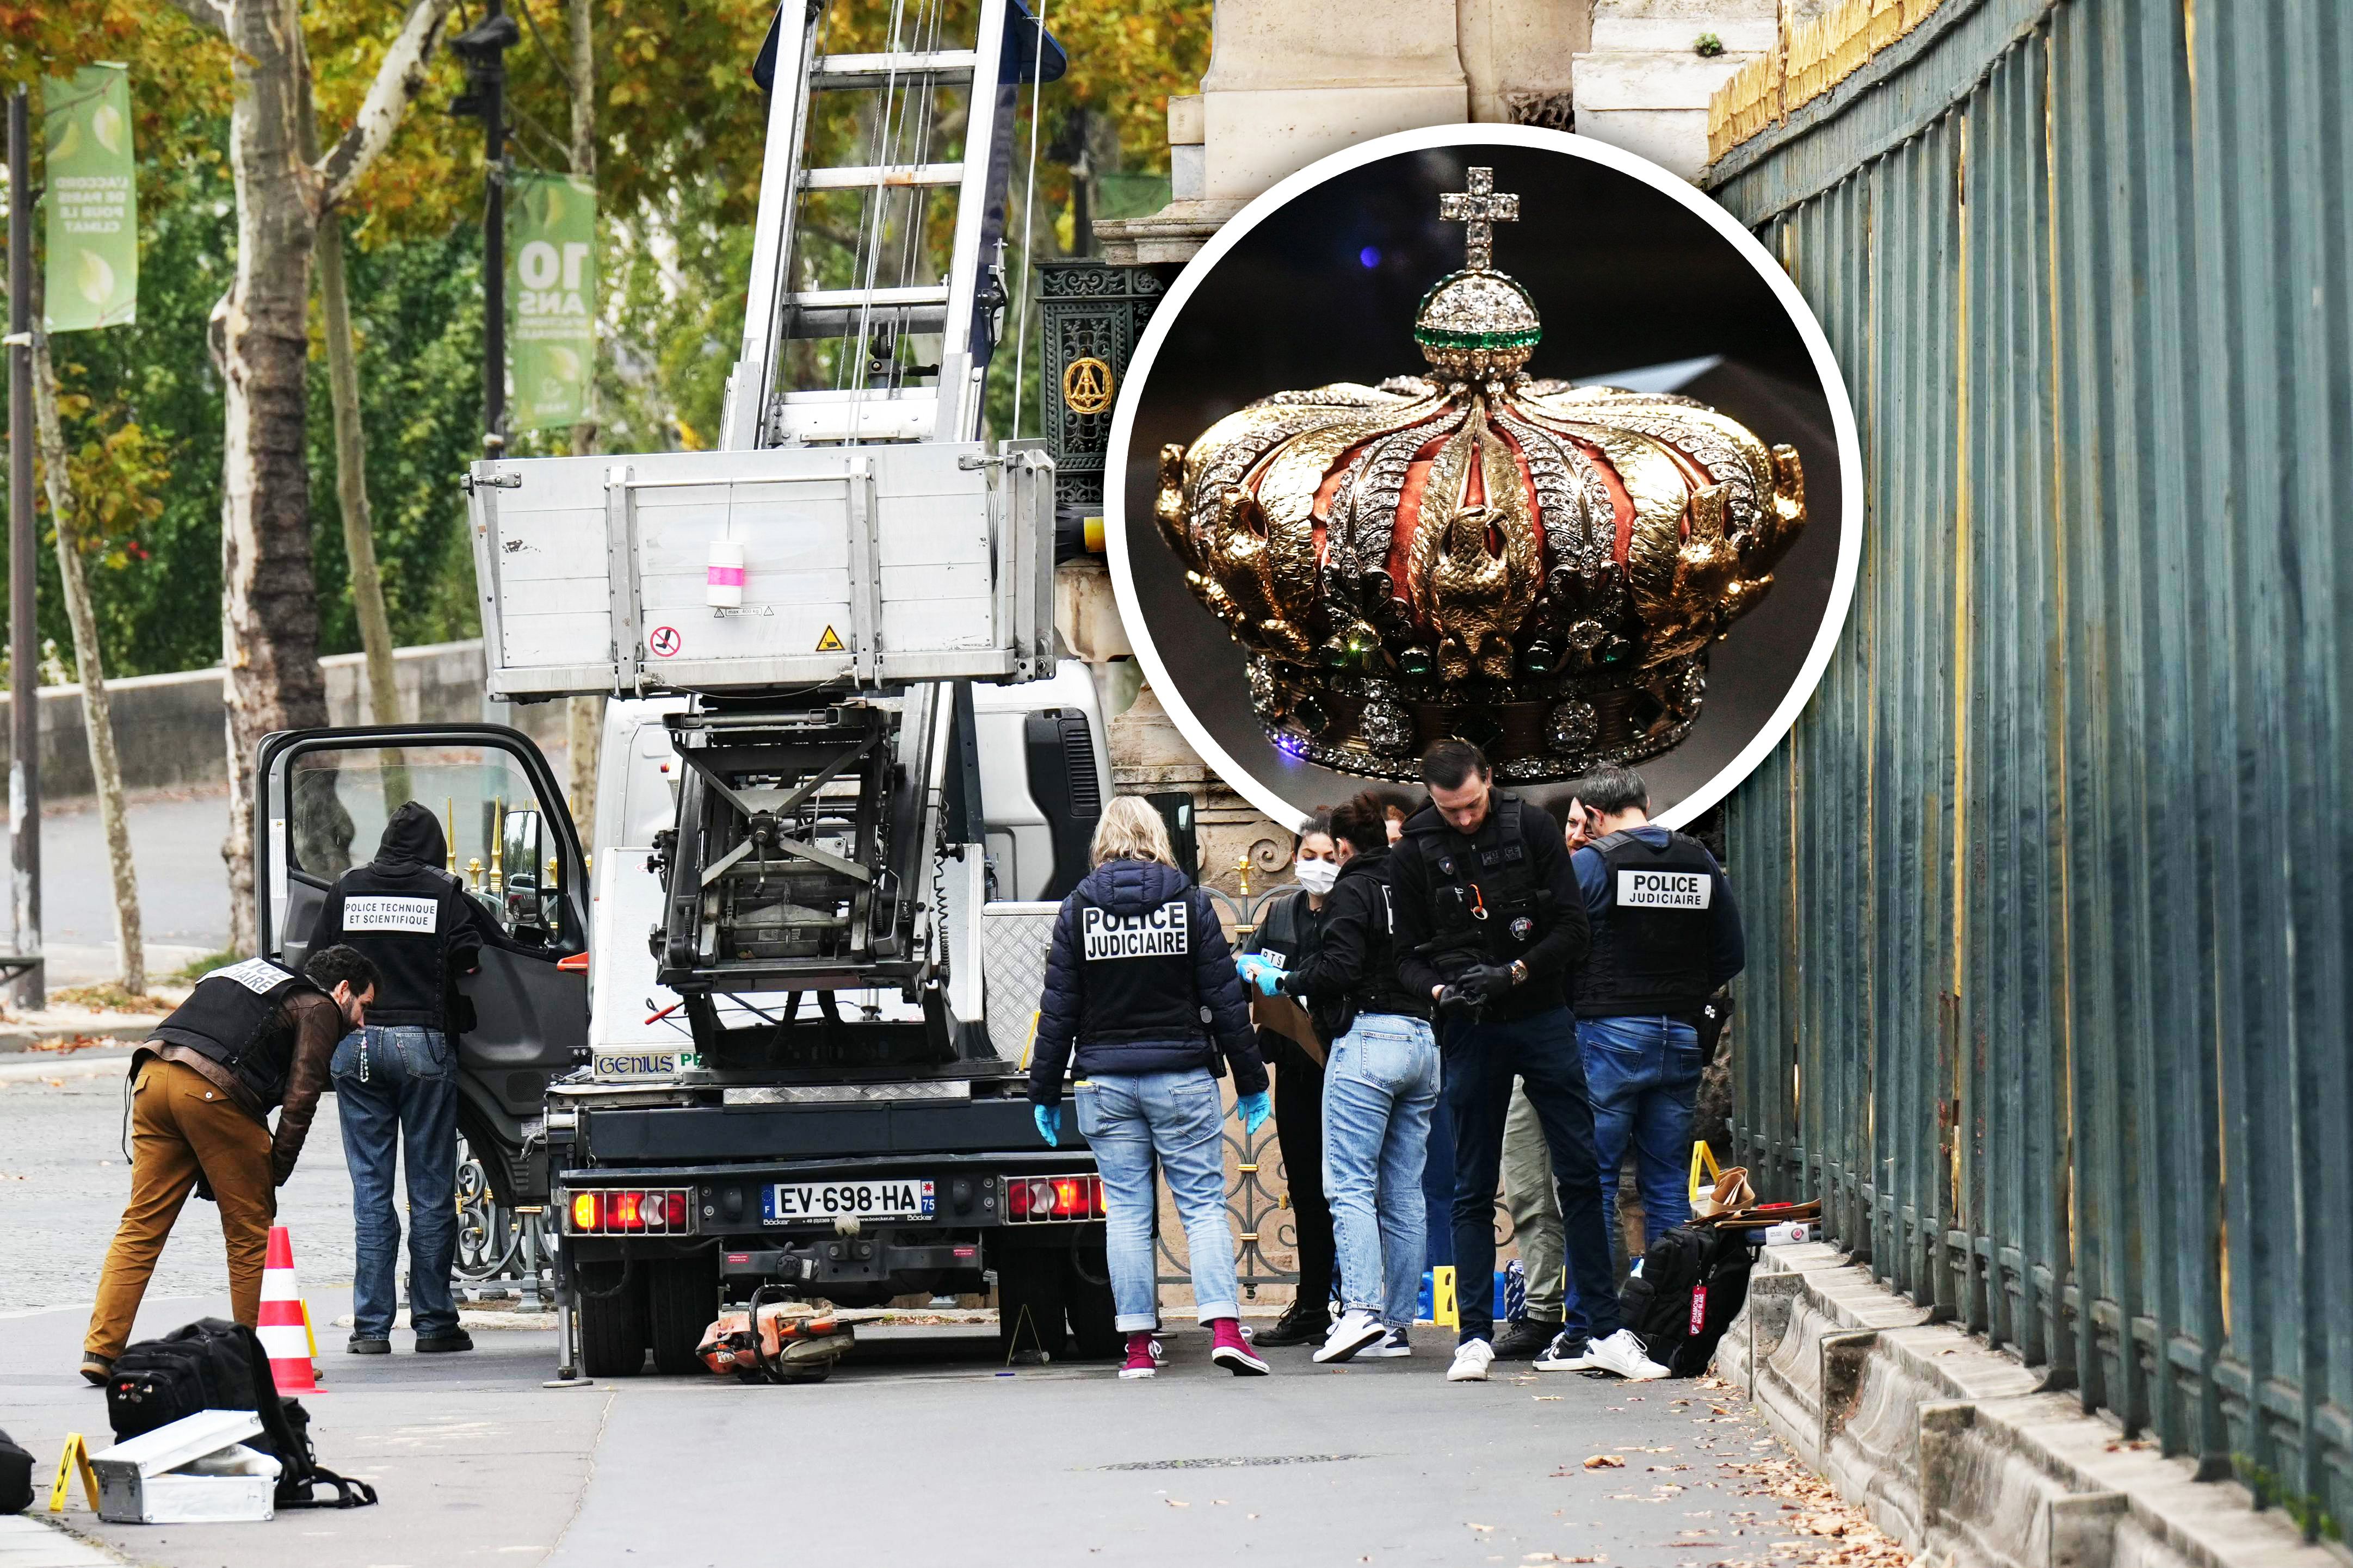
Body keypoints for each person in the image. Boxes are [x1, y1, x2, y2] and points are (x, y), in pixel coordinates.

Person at [1389, 739, 1668, 1384]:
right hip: (1470, 1026)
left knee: (1578, 1174)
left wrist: (1513, 972)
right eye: (1448, 809)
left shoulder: (1534, 829)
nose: (1462, 819)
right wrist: (1440, 992)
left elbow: (1573, 931)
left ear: (1488, 779)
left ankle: (1601, 1329)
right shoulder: (1413, 852)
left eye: (1470, 805)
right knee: (1471, 1185)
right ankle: (1473, 1339)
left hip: (1541, 1017)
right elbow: (1402, 955)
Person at [1027, 795, 1273, 1379]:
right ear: (1156, 836)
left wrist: (1042, 1091)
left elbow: (1058, 1010)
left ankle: (1137, 1349)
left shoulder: (1077, 910)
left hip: (1105, 1084)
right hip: (1181, 1078)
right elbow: (1223, 999)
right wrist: (1251, 1079)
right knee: (1203, 1207)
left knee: (1128, 1216)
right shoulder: (1189, 904)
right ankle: (1225, 1331)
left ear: (1103, 840)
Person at [316, 802, 555, 1356]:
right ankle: (433, 1323)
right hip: (424, 1045)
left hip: (355, 1046)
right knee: (429, 1191)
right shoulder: (445, 892)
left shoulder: (346, 890)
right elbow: (478, 959)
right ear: (432, 847)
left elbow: (319, 964)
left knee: (370, 1191)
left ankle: (371, 1329)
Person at [81, 946, 381, 1384]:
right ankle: (255, 1359)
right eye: (364, 1007)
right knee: (250, 1233)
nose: (361, 1022)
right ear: (342, 990)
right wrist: (274, 1170)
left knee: (141, 1224)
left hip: (151, 1073)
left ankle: (101, 1349)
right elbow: (302, 1095)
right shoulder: (319, 1006)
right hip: (210, 1090)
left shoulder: (253, 975)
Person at [1241, 792, 1436, 1364]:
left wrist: (1287, 981)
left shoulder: (1354, 888)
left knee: (1347, 1184)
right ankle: (1397, 1325)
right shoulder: (1412, 884)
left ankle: (1358, 1313)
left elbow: (1339, 969)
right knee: (1401, 1192)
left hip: (1368, 1040)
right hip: (1421, 1037)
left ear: (1347, 848)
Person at [1563, 764, 1745, 1255]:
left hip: (1608, 1036)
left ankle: (1592, 1321)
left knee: (1594, 1182)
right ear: (1642, 805)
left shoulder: (1592, 863)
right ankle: (1666, 1314)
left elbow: (1557, 945)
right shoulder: (1698, 859)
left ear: (1596, 815)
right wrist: (1683, 994)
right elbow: (1731, 953)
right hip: (1681, 1039)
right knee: (1666, 1183)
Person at [1239, 816, 1339, 1349]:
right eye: (1309, 853)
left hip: (1343, 1072)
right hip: (1295, 1069)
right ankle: (1312, 1303)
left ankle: (1358, 1301)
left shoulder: (1350, 914)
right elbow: (1253, 966)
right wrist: (1249, 972)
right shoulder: (1280, 913)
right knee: (1303, 1188)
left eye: (1329, 856)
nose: (1316, 865)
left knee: (1347, 1189)